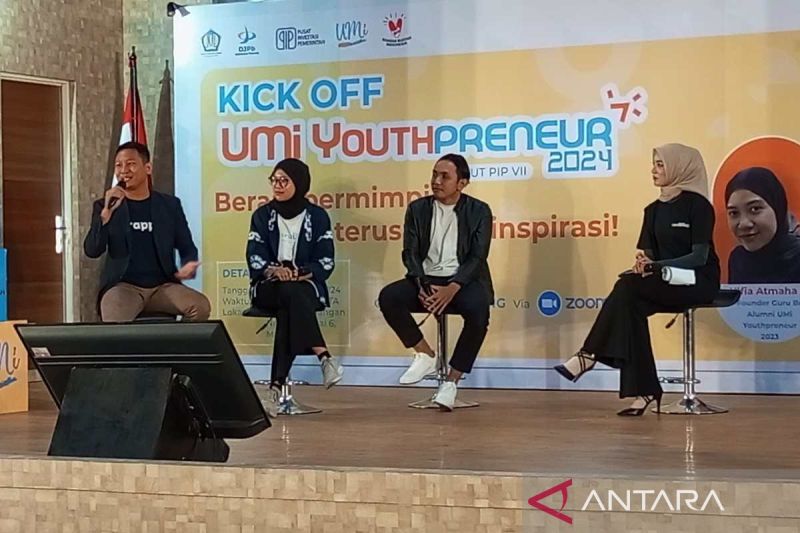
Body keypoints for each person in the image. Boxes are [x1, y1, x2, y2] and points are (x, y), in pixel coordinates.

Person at [554, 143, 720, 416]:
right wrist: (644, 264)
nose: (653, 170)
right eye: (654, 164)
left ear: (679, 167)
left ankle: (588, 356)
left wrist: (655, 266)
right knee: (629, 302)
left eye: (660, 164)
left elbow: (699, 257)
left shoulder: (698, 206)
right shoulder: (652, 210)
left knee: (627, 288)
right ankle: (645, 390)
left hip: (697, 281)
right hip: (665, 281)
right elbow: (649, 254)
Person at [378, 153, 493, 411]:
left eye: (444, 176)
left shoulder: (479, 211)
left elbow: (478, 257)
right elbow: (410, 252)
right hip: (426, 279)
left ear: (462, 183)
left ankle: (451, 383)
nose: (436, 181)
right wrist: (421, 285)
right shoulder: (417, 209)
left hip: (463, 281)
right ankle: (425, 354)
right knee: (389, 297)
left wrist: (453, 287)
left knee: (479, 311)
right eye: (434, 174)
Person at [246, 158, 343, 417]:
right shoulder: (262, 216)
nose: (277, 185)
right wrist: (275, 270)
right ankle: (324, 356)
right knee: (289, 294)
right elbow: (254, 256)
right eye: (274, 180)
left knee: (290, 305)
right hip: (268, 286)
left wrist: (298, 273)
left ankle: (275, 390)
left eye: (284, 180)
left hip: (304, 284)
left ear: (299, 183)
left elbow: (326, 261)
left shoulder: (318, 217)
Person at [84, 142, 210, 322]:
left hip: (162, 287)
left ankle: (177, 340)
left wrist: (189, 263)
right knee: (114, 321)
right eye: (119, 165)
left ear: (148, 168)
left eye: (131, 164)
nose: (124, 170)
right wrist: (105, 215)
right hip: (123, 287)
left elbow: (186, 246)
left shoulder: (169, 205)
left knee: (200, 306)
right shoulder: (104, 206)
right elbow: (92, 250)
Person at [725, 167, 800, 283]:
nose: (744, 224)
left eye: (755, 209)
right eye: (734, 213)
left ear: (777, 208)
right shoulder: (738, 259)